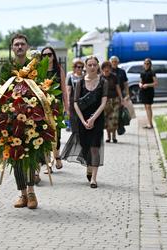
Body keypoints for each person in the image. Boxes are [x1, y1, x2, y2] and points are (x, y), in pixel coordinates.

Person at [0, 33, 38, 209]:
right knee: (15, 155)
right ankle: (22, 194)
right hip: (12, 118)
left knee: (29, 155)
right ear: (12, 48)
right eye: (16, 44)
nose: (20, 47)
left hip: (32, 117)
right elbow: (0, 91)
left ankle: (31, 193)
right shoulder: (6, 68)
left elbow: (42, 92)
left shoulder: (35, 67)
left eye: (22, 44)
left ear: (27, 47)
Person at [61, 56, 108, 188]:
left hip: (97, 118)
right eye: (90, 65)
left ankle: (94, 178)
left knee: (95, 147)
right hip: (81, 119)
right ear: (86, 67)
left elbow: (104, 103)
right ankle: (89, 165)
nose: (92, 67)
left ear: (98, 66)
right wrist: (83, 120)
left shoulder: (103, 81)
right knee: (85, 145)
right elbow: (75, 103)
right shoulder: (80, 82)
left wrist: (93, 119)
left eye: (95, 65)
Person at [40, 46, 69, 173]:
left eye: (50, 54)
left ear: (53, 55)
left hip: (57, 106)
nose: (47, 57)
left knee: (56, 133)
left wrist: (67, 107)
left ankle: (57, 156)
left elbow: (64, 90)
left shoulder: (59, 70)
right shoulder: (39, 71)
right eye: (44, 55)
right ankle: (48, 164)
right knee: (45, 134)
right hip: (43, 107)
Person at [101, 61, 123, 143]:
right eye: (105, 68)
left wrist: (121, 98)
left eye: (109, 68)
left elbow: (118, 88)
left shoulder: (114, 77)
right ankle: (108, 136)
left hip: (115, 100)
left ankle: (114, 136)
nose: (107, 69)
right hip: (105, 101)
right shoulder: (100, 78)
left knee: (114, 118)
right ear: (103, 69)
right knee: (107, 119)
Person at [66, 58, 84, 134]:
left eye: (81, 67)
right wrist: (68, 103)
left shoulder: (85, 77)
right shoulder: (71, 77)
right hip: (73, 100)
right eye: (78, 67)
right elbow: (69, 90)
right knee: (73, 119)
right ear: (75, 68)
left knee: (81, 118)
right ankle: (75, 134)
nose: (80, 69)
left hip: (83, 100)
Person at [139, 58, 158, 129]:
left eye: (148, 63)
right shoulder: (142, 72)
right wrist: (140, 84)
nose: (146, 65)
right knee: (146, 107)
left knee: (148, 107)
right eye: (145, 63)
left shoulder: (152, 72)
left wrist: (147, 85)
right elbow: (140, 81)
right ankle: (149, 123)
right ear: (143, 64)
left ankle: (150, 124)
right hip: (143, 91)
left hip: (149, 91)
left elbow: (156, 83)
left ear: (150, 64)